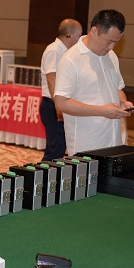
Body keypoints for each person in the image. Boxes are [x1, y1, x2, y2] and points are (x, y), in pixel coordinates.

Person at [54, 9, 134, 156]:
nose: (111, 47)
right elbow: (61, 102)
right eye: (109, 41)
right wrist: (102, 110)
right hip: (87, 144)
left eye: (116, 42)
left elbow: (117, 88)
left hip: (113, 140)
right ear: (94, 31)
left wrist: (122, 102)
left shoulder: (111, 56)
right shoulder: (71, 59)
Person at [39, 18, 83, 161]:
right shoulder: (54, 50)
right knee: (56, 148)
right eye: (79, 35)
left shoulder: (67, 51)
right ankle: (43, 174)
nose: (81, 39)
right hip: (53, 104)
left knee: (60, 147)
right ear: (69, 35)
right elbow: (51, 79)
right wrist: (59, 106)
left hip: (61, 104)